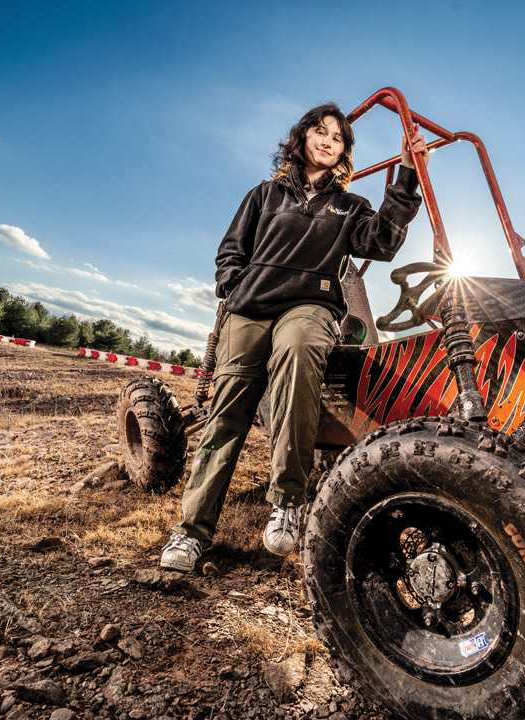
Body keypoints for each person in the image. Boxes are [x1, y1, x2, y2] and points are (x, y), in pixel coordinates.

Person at [160, 102, 428, 572]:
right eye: (319, 132)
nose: (327, 141)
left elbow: (382, 242)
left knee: (301, 349)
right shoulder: (264, 196)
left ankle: (288, 501)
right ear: (302, 137)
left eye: (338, 137)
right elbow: (230, 251)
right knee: (227, 415)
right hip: (251, 308)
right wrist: (236, 287)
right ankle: (191, 531)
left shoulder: (349, 206)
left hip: (310, 306)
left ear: (344, 151)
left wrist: (407, 174)